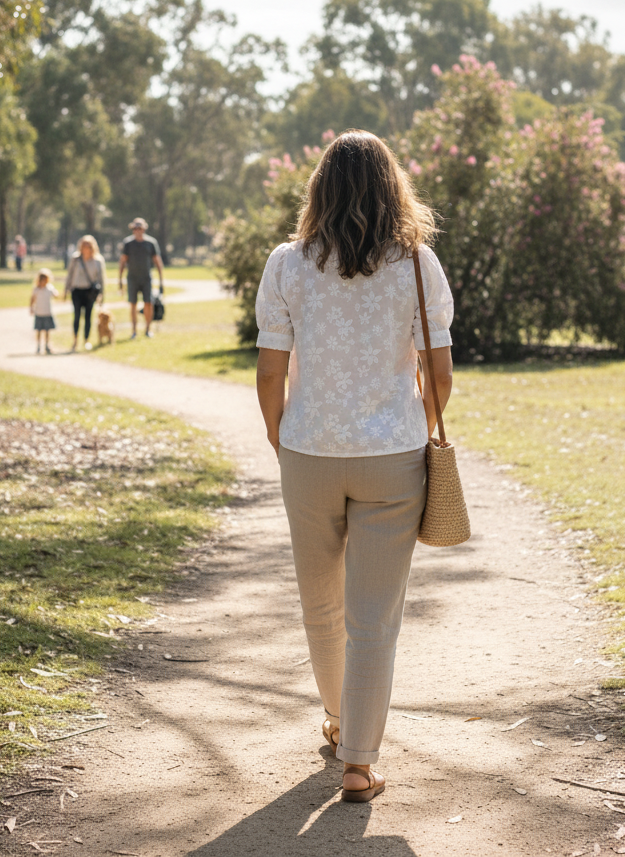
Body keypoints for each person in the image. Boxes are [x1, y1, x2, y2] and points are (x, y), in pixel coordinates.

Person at [254, 130, 454, 804]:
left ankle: (340, 723)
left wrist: (284, 445)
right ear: (392, 186)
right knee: (375, 616)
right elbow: (442, 376)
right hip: (392, 458)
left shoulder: (287, 263)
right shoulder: (417, 265)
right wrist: (412, 428)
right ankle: (360, 765)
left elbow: (270, 374)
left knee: (321, 604)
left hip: (308, 453)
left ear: (321, 188)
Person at [118, 217, 164, 339]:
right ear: (133, 230)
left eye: (140, 228)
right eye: (135, 228)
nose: (137, 230)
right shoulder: (128, 243)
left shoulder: (151, 243)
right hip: (132, 278)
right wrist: (120, 280)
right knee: (133, 304)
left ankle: (148, 329)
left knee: (148, 303)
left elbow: (157, 261)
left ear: (144, 229)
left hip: (146, 278)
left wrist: (161, 279)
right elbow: (122, 262)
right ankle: (134, 330)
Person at [64, 235, 106, 351]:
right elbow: (70, 274)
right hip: (76, 290)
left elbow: (101, 278)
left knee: (88, 316)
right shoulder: (75, 258)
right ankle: (75, 340)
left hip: (90, 292)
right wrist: (66, 289)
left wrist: (102, 295)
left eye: (88, 245)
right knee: (76, 316)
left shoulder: (98, 260)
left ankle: (86, 340)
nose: (86, 248)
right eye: (84, 245)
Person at [29, 268, 58, 354]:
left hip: (47, 313)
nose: (44, 282)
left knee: (47, 331)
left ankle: (47, 345)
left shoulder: (49, 288)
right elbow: (32, 299)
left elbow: (55, 294)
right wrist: (31, 308)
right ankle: (38, 346)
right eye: (42, 280)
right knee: (38, 330)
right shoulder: (36, 289)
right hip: (39, 313)